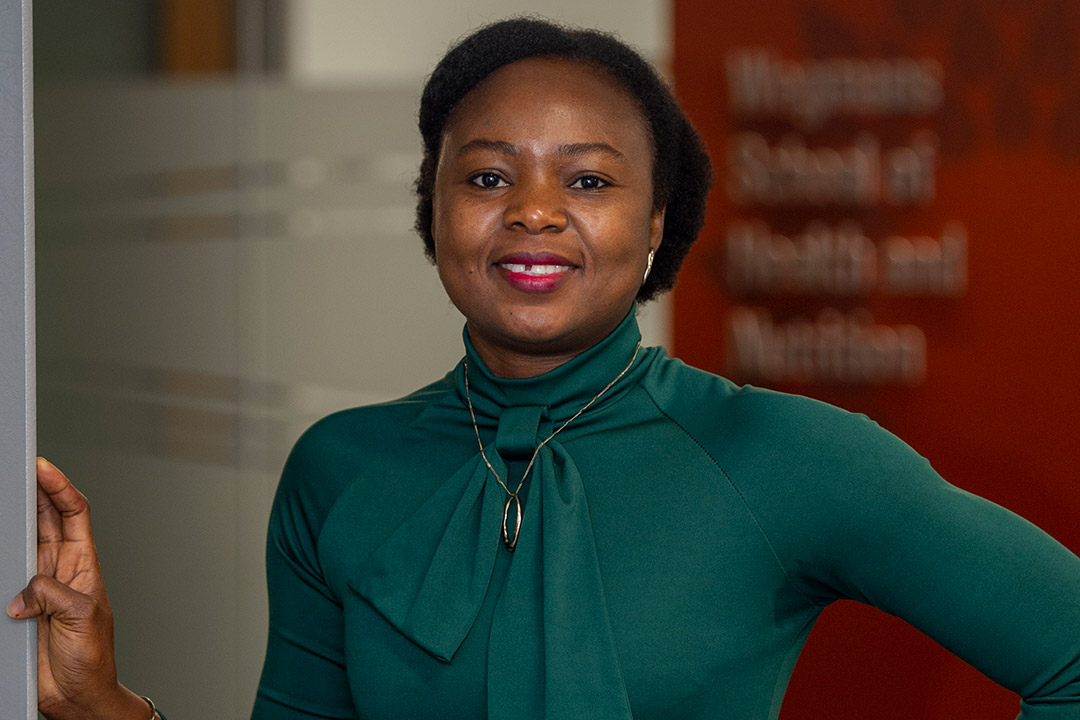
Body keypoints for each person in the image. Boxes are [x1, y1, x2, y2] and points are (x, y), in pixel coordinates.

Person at [9, 17, 1080, 720]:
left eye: (589, 180)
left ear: (657, 226)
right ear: (432, 211)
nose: (532, 210)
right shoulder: (341, 468)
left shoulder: (779, 456)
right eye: (485, 174)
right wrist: (100, 703)